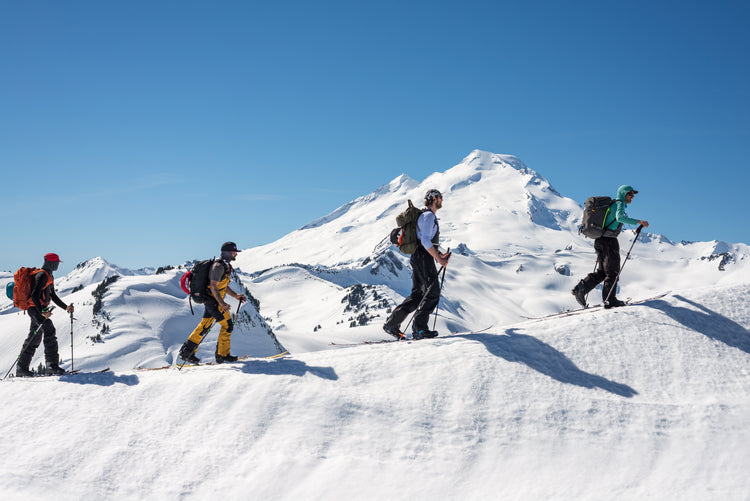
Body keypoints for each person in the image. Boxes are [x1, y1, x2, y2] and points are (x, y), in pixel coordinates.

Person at [383, 189, 451, 340]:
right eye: (440, 197)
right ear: (433, 199)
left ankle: (392, 324)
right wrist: (439, 259)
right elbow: (425, 241)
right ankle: (419, 328)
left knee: (418, 295)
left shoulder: (427, 216)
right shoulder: (428, 216)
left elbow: (425, 240)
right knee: (432, 293)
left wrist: (439, 254)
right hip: (423, 257)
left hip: (420, 257)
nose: (441, 200)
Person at [571, 185, 649, 308]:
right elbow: (620, 218)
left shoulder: (614, 204)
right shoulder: (620, 204)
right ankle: (609, 300)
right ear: (624, 194)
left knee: (602, 272)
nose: (633, 197)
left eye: (633, 194)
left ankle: (580, 289)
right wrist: (639, 222)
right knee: (612, 271)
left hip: (600, 240)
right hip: (609, 241)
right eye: (630, 194)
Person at [179, 242, 247, 364]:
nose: (235, 254)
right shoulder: (218, 267)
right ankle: (192, 353)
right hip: (213, 303)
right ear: (227, 253)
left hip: (216, 302)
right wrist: (221, 303)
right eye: (234, 252)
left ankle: (220, 354)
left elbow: (223, 286)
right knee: (213, 326)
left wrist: (236, 296)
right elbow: (213, 287)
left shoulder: (225, 266)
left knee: (213, 326)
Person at [16, 253, 75, 377]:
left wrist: (66, 307)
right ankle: (51, 366)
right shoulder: (42, 275)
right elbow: (34, 295)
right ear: (51, 263)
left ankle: (21, 368)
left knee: (34, 336)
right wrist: (43, 311)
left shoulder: (49, 276)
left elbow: (52, 295)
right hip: (35, 308)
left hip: (37, 308)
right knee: (49, 329)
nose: (58, 264)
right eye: (57, 262)